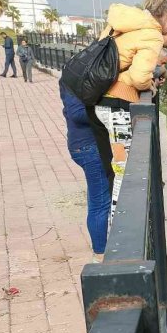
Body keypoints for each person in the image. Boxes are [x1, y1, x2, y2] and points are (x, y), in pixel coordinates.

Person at [84, 0, 167, 212]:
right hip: (116, 104)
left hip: (98, 99)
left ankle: (119, 227)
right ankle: (122, 235)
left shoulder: (126, 23)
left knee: (114, 169)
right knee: (123, 173)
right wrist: (150, 86)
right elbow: (138, 77)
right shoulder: (152, 33)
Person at [61, 80, 110, 262]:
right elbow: (77, 114)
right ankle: (100, 255)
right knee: (100, 203)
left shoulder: (82, 75)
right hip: (88, 147)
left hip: (88, 146)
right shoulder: (73, 79)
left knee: (96, 198)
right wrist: (109, 109)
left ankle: (100, 249)